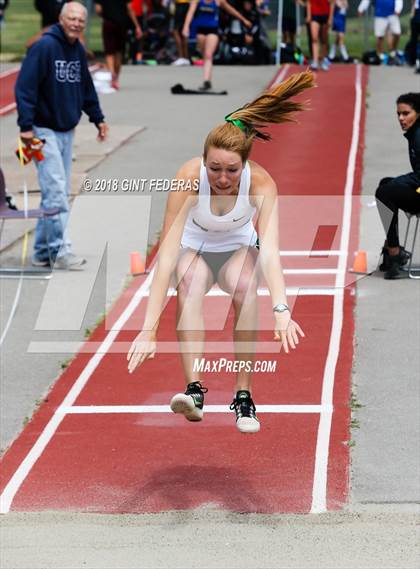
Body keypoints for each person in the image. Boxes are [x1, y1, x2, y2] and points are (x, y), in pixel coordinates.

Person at [127, 71, 314, 433]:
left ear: (245, 164)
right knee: (190, 282)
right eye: (214, 169)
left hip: (236, 249)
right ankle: (194, 390)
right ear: (203, 161)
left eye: (231, 169)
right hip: (193, 249)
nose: (223, 178)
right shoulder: (187, 178)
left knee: (245, 284)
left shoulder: (260, 183)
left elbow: (271, 252)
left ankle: (244, 396)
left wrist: (281, 310)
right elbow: (165, 257)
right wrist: (148, 329)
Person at [15, 2, 108, 270]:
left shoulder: (77, 49)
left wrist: (98, 118)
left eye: (81, 19)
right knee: (56, 191)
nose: (76, 23)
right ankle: (59, 250)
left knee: (56, 191)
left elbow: (86, 87)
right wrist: (26, 127)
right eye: (72, 18)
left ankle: (43, 250)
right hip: (42, 131)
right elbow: (25, 88)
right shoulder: (44, 47)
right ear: (60, 19)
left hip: (67, 130)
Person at [375, 92, 420, 279]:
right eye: (398, 114)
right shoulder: (414, 134)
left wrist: (402, 182)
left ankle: (393, 254)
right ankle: (391, 248)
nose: (401, 118)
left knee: (386, 192)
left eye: (406, 113)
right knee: (385, 185)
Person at [182, 0, 252, 91]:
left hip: (213, 30)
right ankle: (206, 76)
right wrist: (186, 26)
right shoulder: (197, 1)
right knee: (204, 55)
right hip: (200, 31)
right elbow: (190, 12)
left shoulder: (218, 1)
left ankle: (207, 81)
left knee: (208, 55)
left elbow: (230, 10)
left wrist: (244, 20)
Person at [95, 0, 142, 90]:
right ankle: (116, 79)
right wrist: (137, 25)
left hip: (108, 22)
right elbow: (129, 8)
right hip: (121, 23)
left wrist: (106, 14)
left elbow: (98, 9)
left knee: (109, 52)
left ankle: (111, 75)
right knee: (119, 51)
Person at [306, 0, 334, 71]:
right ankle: (315, 62)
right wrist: (309, 15)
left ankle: (323, 60)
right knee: (314, 38)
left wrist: (330, 18)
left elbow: (332, 3)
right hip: (314, 14)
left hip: (325, 14)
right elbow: (308, 2)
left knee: (324, 40)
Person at [172, 0, 192, 65]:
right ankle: (186, 58)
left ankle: (181, 57)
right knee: (184, 31)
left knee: (176, 31)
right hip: (187, 5)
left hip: (180, 5)